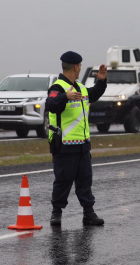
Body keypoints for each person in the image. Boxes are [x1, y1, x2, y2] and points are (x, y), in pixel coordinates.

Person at [46, 51, 108, 227]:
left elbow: (94, 94)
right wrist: (65, 97)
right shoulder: (57, 88)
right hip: (64, 144)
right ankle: (56, 213)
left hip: (82, 145)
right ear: (76, 67)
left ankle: (88, 213)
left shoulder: (80, 87)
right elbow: (50, 104)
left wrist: (101, 81)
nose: (80, 68)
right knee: (63, 180)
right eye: (80, 66)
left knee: (85, 180)